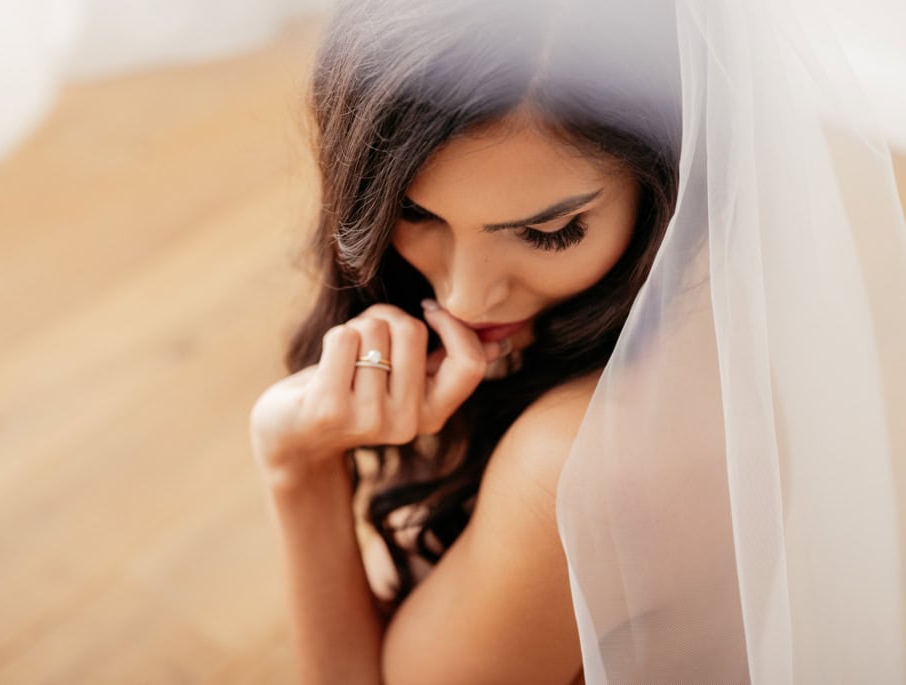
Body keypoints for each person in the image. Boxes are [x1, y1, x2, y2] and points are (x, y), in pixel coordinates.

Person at [249, 0, 906, 682]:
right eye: (415, 211)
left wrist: (293, 464)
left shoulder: (575, 466)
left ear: (663, 182)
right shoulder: (710, 294)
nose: (464, 298)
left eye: (549, 232)